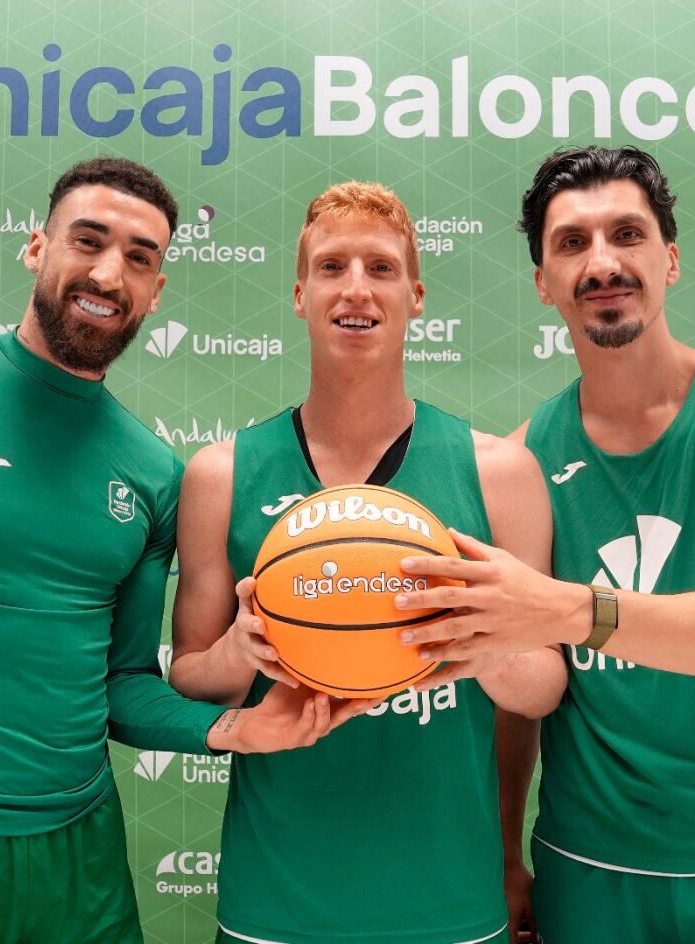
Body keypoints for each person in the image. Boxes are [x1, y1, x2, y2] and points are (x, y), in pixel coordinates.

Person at [0, 157, 370, 944]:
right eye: (89, 241)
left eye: (140, 258)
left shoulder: (153, 473)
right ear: (36, 248)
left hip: (81, 854)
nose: (109, 273)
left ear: (156, 291)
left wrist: (231, 730)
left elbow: (121, 683)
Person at [394, 146, 695, 943]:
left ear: (669, 260)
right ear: (543, 282)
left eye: (626, 235)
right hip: (590, 866)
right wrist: (504, 854)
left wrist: (567, 609)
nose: (602, 262)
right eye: (571, 243)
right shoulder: (524, 460)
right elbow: (516, 691)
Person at [168, 181, 567, 944]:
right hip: (274, 903)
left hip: (449, 903)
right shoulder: (220, 474)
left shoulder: (500, 472)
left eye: (381, 268)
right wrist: (237, 649)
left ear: (416, 296)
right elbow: (188, 675)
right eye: (332, 267)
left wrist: (478, 643)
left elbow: (543, 687)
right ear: (299, 294)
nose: (357, 288)